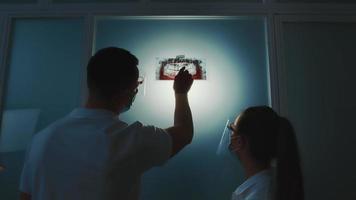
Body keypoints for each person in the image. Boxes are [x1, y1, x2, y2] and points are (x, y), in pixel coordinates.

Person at [19, 47, 194, 200]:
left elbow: (26, 196)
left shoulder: (41, 140)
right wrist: (181, 92)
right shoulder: (129, 140)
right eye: (136, 87)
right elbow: (184, 132)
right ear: (126, 92)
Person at [228, 106, 304, 200]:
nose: (230, 137)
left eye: (232, 129)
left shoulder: (258, 196)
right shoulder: (270, 185)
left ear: (240, 141)